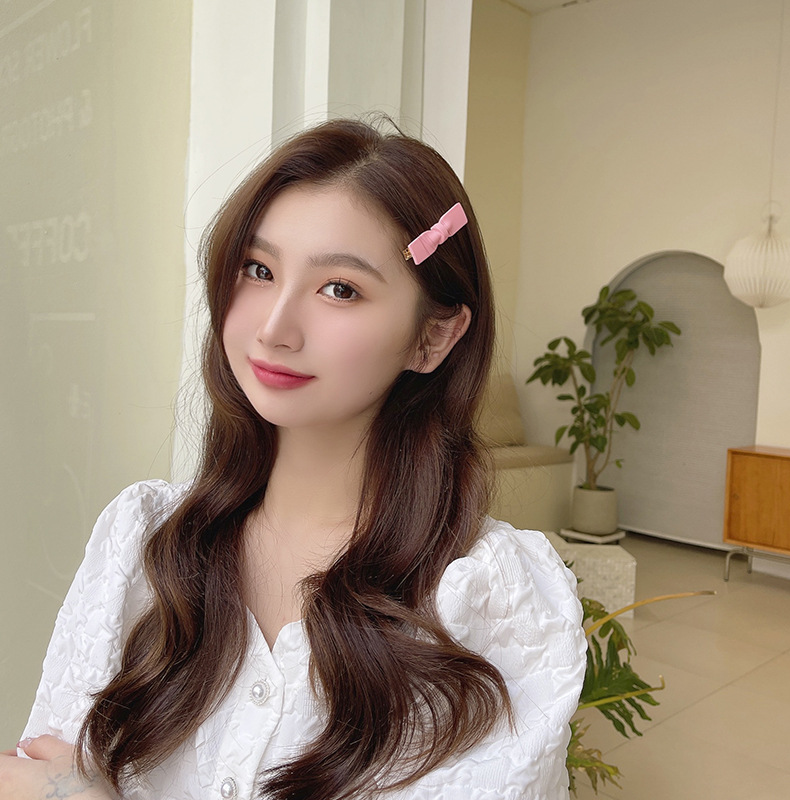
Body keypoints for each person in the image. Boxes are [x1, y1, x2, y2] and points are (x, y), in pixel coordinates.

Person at [1, 119, 586, 800]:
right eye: (259, 270)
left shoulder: (491, 601)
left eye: (340, 288)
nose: (275, 328)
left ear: (433, 336)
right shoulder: (141, 543)